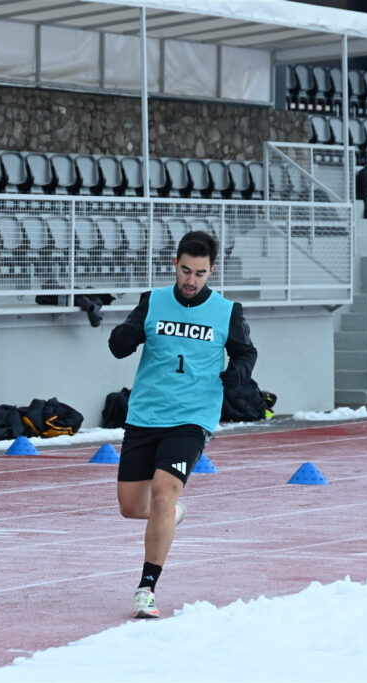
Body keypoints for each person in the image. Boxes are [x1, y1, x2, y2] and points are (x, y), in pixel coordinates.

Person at [109, 230, 257, 618]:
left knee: (162, 492)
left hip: (192, 417)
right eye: (186, 271)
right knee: (131, 507)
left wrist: (237, 375)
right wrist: (126, 336)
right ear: (175, 264)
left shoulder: (227, 311)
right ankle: (170, 514)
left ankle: (146, 588)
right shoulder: (153, 301)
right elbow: (120, 342)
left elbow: (245, 352)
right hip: (145, 414)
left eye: (201, 274)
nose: (191, 281)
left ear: (212, 272)